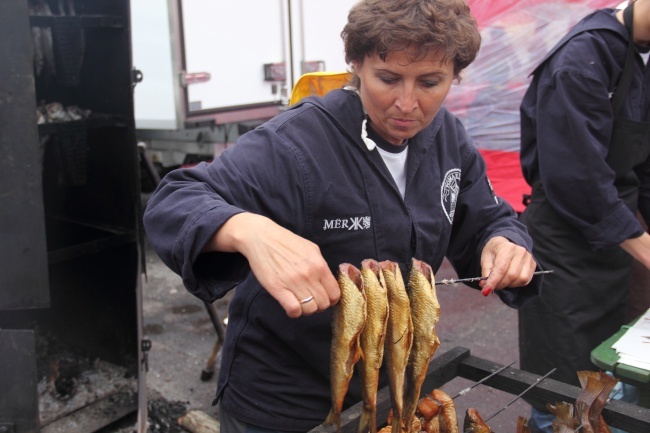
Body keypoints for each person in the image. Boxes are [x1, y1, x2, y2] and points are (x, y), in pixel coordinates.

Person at [144, 0, 542, 431]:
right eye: (387, 78)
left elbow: (483, 217)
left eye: (430, 82)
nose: (407, 103)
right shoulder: (296, 142)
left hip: (390, 387)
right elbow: (174, 200)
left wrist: (503, 241)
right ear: (356, 63)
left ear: (455, 76)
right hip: (287, 401)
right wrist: (246, 228)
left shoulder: (448, 137)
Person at [518, 0, 650, 431]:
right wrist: (643, 246)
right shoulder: (582, 58)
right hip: (564, 252)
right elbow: (577, 178)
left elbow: (643, 168)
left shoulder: (641, 56)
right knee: (562, 396)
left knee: (608, 381)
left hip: (613, 250)